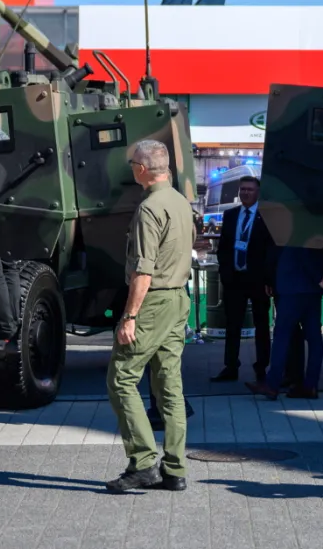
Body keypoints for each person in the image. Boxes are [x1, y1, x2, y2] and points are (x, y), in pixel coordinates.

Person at [104, 139, 194, 493]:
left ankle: (142, 462)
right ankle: (175, 468)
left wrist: (129, 317)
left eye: (132, 165)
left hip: (154, 301)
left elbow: (143, 271)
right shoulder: (180, 202)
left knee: (122, 378)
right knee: (169, 384)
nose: (132, 171)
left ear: (142, 169)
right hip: (177, 300)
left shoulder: (149, 208)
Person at [247, 242, 323, 400]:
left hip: (293, 287)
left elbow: (301, 250)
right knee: (314, 338)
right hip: (313, 290)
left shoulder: (296, 222)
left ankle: (272, 384)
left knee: (282, 336)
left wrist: (318, 278)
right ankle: (310, 385)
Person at [212, 175, 274, 383]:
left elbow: (270, 250)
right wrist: (225, 272)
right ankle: (230, 366)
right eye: (242, 189)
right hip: (234, 279)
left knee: (261, 325)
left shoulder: (266, 217)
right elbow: (223, 248)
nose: (245, 192)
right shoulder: (230, 215)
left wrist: (269, 280)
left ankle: (262, 367)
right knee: (233, 325)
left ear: (258, 193)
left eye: (250, 189)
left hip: (258, 280)